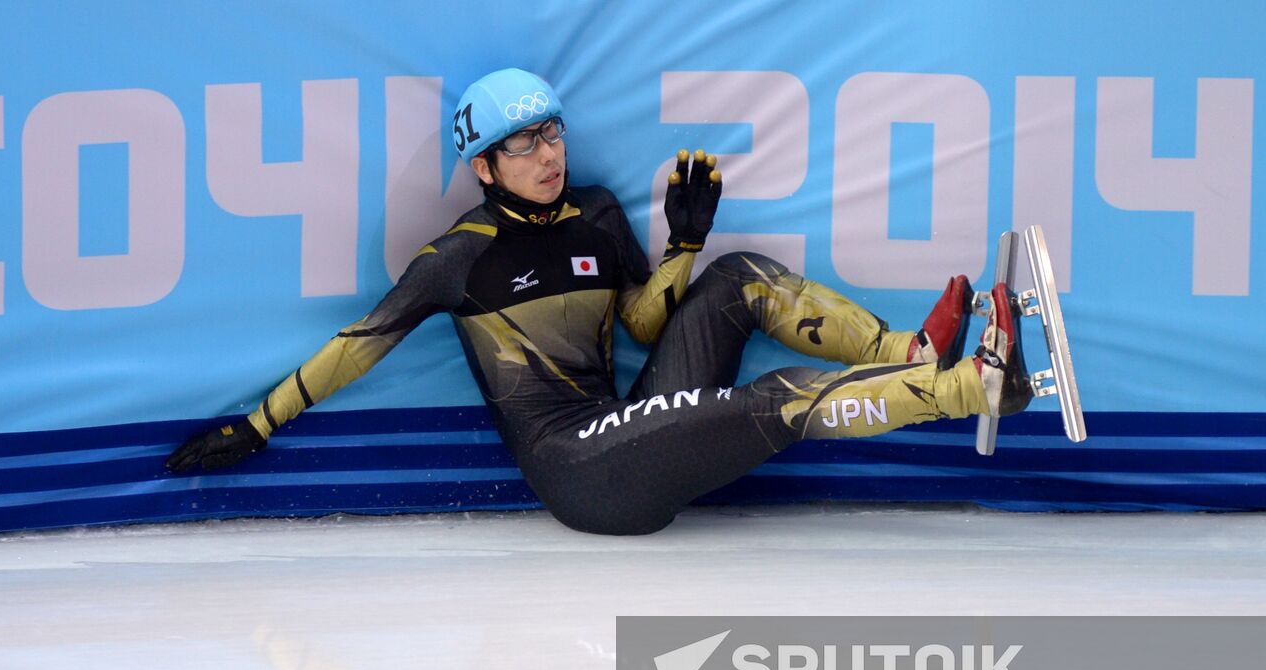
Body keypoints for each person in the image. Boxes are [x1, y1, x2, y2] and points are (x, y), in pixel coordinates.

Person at [167, 68, 1032, 535]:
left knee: (740, 276)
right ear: (484, 166)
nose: (547, 154)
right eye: (523, 144)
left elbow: (642, 325)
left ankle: (909, 359)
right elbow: (360, 343)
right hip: (582, 476)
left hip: (635, 425)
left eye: (552, 133)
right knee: (773, 398)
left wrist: (685, 248)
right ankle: (972, 388)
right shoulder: (458, 257)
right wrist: (259, 425)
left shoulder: (599, 212)